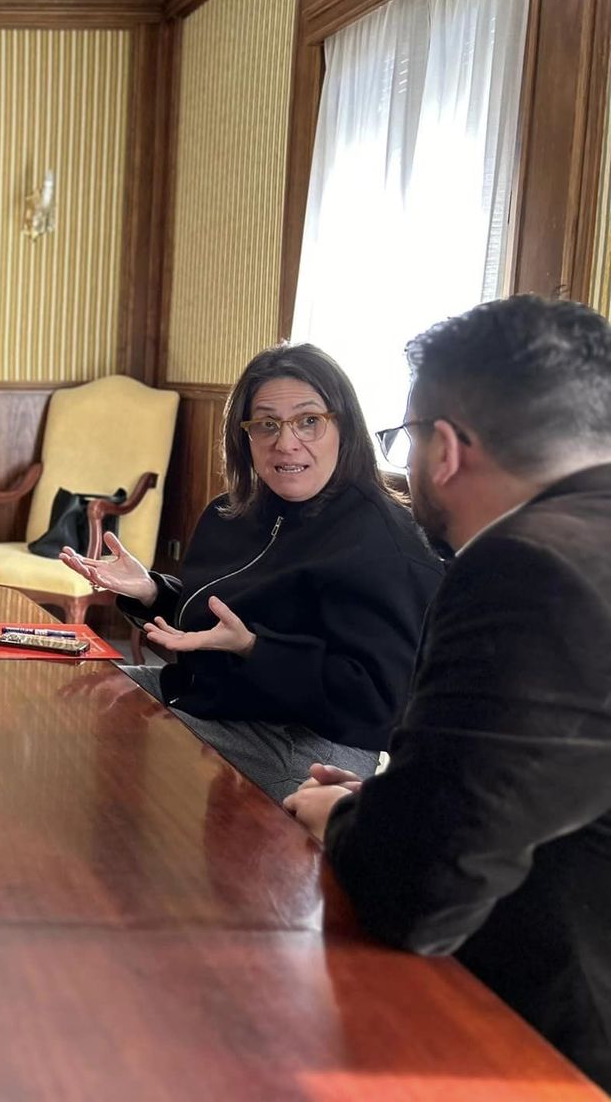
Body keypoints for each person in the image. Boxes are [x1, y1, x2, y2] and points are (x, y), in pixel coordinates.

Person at [284, 296, 611, 1091]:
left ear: (447, 451)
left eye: (408, 435)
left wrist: (348, 818)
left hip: (547, 1045)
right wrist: (406, 798)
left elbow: (422, 894)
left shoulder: (526, 569)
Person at [65, 344, 442, 801]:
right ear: (244, 436)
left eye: (308, 421)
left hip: (308, 741)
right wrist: (150, 591)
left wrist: (254, 649)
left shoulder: (386, 542)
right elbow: (217, 625)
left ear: (344, 427)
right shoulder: (231, 512)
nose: (285, 442)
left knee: (134, 751)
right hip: (211, 698)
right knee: (78, 700)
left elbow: (381, 701)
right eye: (266, 424)